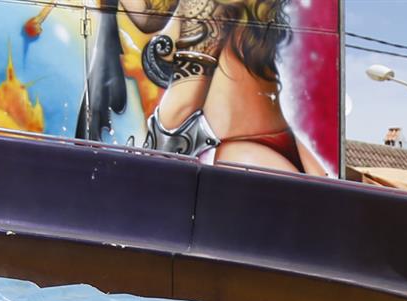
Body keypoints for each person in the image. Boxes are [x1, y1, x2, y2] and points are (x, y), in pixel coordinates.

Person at [83, 0, 326, 173]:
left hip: (245, 153)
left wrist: (145, 160)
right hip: (282, 143)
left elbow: (184, 102)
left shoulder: (204, 5)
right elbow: (148, 17)